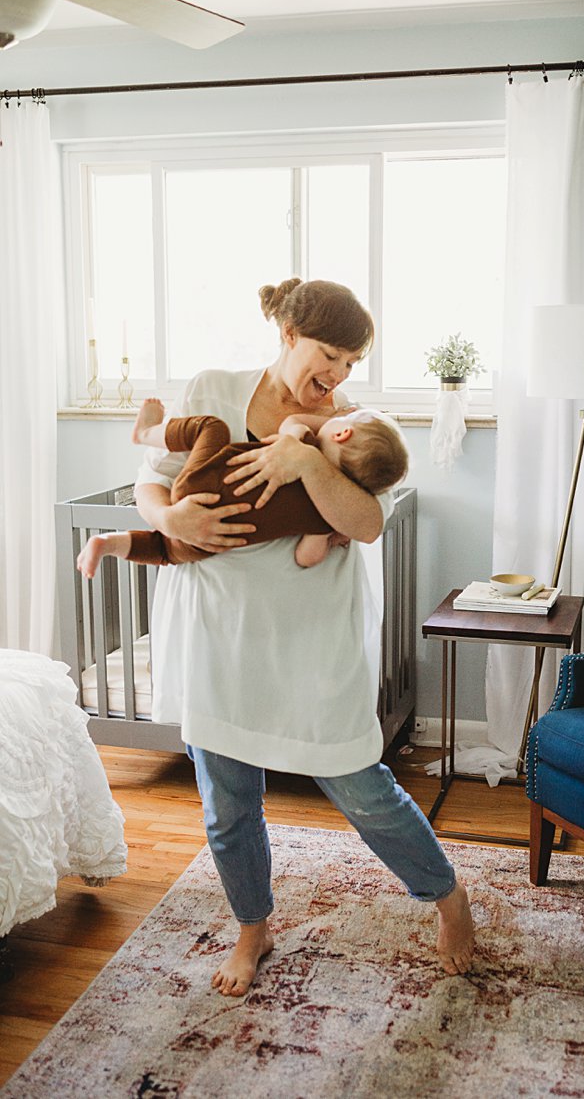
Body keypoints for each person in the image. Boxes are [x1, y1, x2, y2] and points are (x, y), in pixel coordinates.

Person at [135, 277, 475, 997]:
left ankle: (448, 897)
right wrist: (170, 523)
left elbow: (366, 523)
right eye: (331, 355)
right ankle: (253, 925)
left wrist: (308, 462)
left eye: (351, 362)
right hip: (222, 629)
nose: (339, 375)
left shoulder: (352, 424)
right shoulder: (216, 389)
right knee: (227, 805)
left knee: (363, 789)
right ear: (289, 334)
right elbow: (151, 480)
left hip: (316, 639)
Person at [78, 398, 408, 577]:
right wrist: (331, 538)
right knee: (168, 551)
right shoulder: (326, 514)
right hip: (213, 536)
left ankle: (147, 432)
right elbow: (307, 557)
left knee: (210, 427)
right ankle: (110, 544)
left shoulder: (303, 440)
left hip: (201, 480)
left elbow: (292, 422)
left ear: (342, 433)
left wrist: (294, 440)